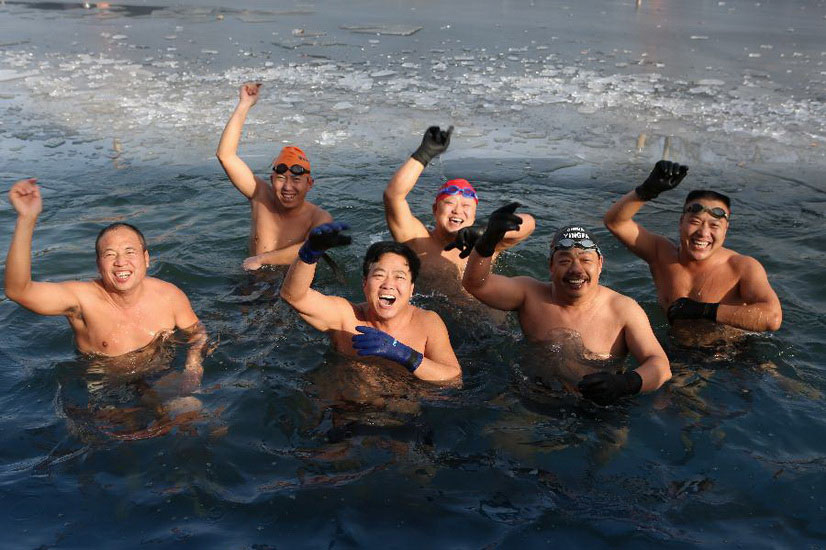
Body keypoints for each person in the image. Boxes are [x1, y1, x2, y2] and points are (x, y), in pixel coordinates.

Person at [4, 178, 206, 387]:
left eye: (129, 252)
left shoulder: (169, 295)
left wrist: (193, 367)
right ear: (99, 264)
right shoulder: (82, 301)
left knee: (188, 408)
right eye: (110, 254)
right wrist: (26, 219)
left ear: (146, 259)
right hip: (104, 387)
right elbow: (18, 290)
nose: (120, 262)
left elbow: (197, 333)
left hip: (158, 375)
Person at [462, 215, 671, 405]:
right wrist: (486, 243)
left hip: (602, 405)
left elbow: (660, 365)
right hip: (534, 394)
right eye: (565, 260)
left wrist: (624, 384)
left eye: (585, 260)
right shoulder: (530, 294)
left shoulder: (623, 310)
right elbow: (476, 284)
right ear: (551, 266)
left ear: (600, 264)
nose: (576, 269)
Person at [603, 160, 782, 333]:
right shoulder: (661, 254)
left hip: (729, 356)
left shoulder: (742, 267)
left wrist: (703, 311)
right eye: (695, 222)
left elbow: (772, 318)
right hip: (674, 350)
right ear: (681, 223)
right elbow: (615, 222)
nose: (703, 233)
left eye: (714, 226)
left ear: (726, 230)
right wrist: (647, 191)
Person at [280, 222, 461, 383]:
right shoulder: (347, 317)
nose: (389, 284)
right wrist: (308, 255)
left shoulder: (427, 322)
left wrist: (404, 354)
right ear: (364, 284)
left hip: (403, 415)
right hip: (345, 410)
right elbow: (293, 296)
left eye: (399, 277)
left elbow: (453, 378)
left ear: (412, 288)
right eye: (379, 275)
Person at [383, 125, 535, 287]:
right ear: (435, 210)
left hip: (484, 310)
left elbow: (529, 224)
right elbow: (393, 196)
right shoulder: (417, 241)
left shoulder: (487, 243)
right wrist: (424, 153)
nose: (457, 210)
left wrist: (488, 231)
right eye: (449, 203)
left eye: (466, 206)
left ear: (474, 216)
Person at [216, 82, 332, 270]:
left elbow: (313, 248)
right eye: (280, 178)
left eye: (296, 180)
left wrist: (262, 259)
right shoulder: (260, 195)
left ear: (309, 183)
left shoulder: (319, 217)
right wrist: (244, 104)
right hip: (251, 283)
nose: (287, 187)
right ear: (271, 180)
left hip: (290, 285)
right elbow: (226, 155)